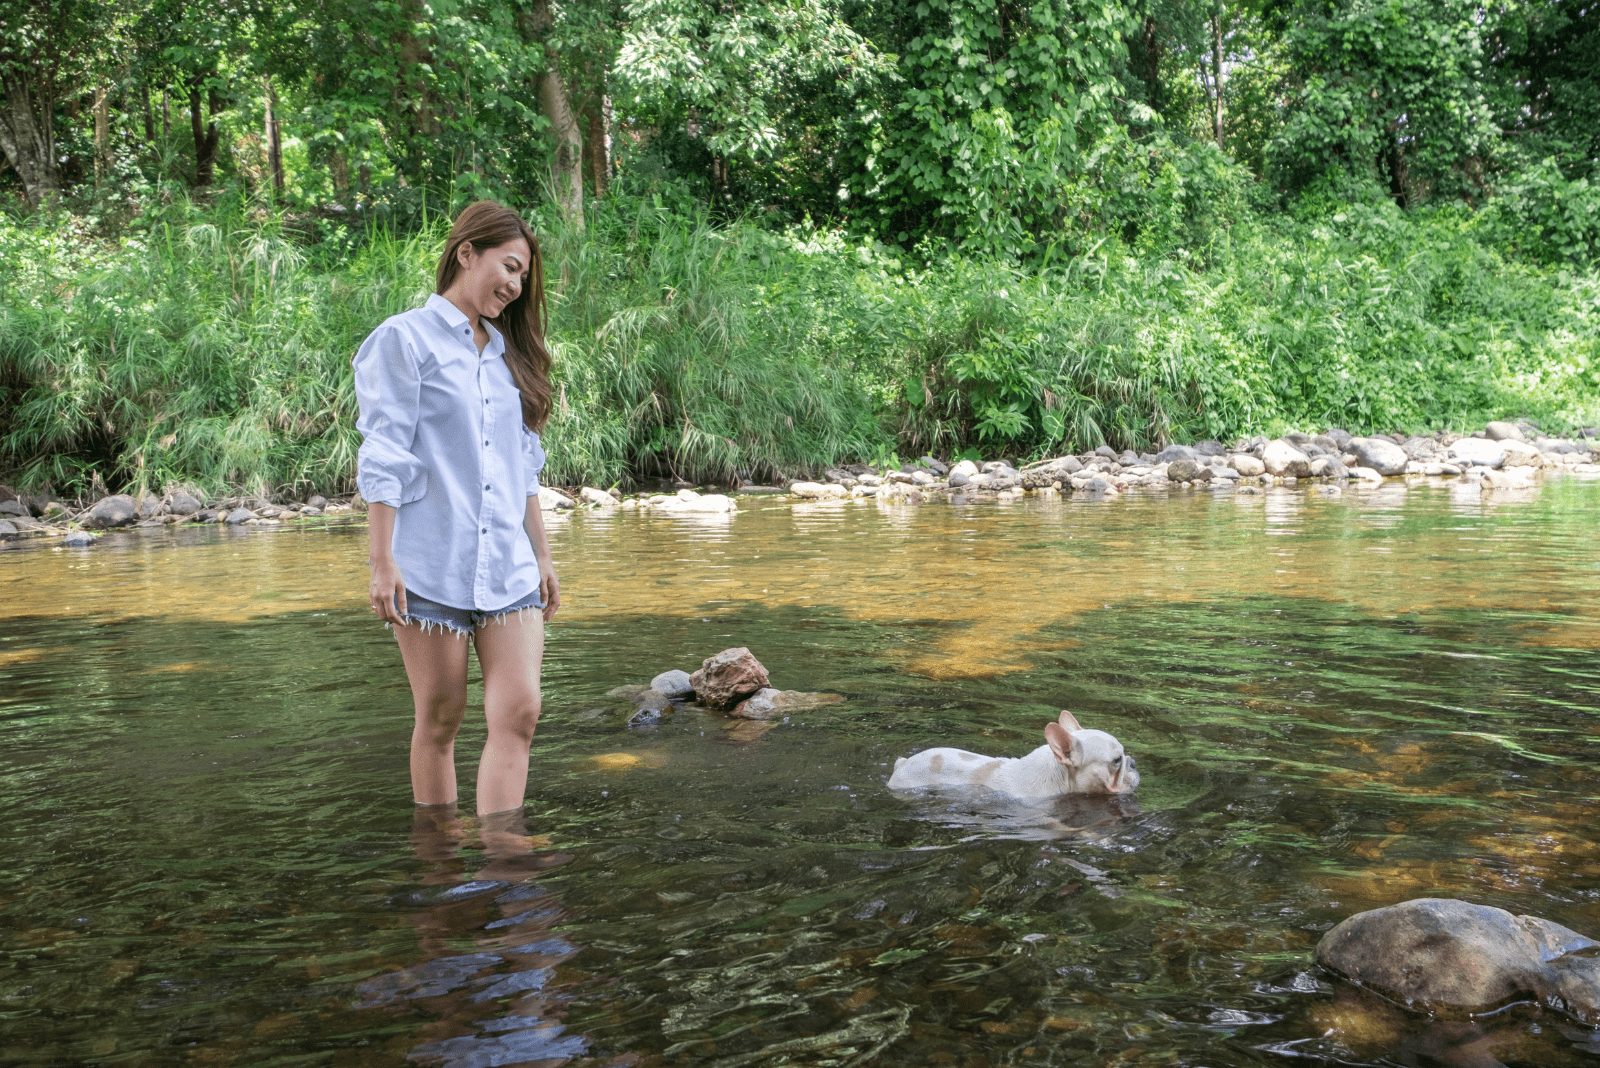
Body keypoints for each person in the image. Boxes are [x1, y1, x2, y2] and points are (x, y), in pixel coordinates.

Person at [352, 200, 561, 823]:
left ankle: (504, 858)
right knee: (441, 718)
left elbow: (520, 467)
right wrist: (381, 561)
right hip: (428, 564)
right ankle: (440, 863)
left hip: (509, 568)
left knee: (520, 710)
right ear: (467, 251)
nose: (516, 286)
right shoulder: (403, 340)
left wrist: (543, 556)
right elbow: (385, 454)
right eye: (510, 267)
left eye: (523, 277)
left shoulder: (506, 357)